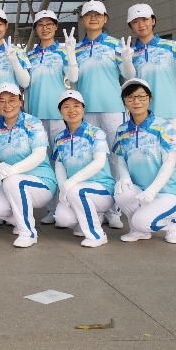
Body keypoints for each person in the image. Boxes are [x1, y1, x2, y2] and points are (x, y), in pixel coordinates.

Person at [111, 78, 176, 244]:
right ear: (124, 101)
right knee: (121, 191)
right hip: (140, 190)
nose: (136, 101)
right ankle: (138, 231)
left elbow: (169, 163)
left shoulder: (163, 127)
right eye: (130, 97)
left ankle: (172, 223)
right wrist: (125, 178)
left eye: (141, 96)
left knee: (142, 221)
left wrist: (152, 191)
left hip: (167, 192)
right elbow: (120, 158)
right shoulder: (122, 130)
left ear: (149, 99)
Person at [121, 4, 176, 169]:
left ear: (153, 20)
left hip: (171, 113)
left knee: (173, 162)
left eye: (145, 19)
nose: (141, 25)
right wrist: (126, 61)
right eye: (135, 22)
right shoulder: (131, 52)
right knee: (149, 162)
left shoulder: (170, 46)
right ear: (131, 26)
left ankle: (175, 187)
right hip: (143, 114)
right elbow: (130, 78)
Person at [74, 0, 126, 229]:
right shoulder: (76, 49)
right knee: (91, 159)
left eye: (98, 15)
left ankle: (115, 210)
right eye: (88, 15)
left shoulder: (117, 45)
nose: (93, 18)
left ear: (105, 19)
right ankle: (96, 207)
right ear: (82, 20)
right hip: (85, 112)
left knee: (115, 159)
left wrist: (126, 58)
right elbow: (73, 80)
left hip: (113, 109)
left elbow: (127, 73)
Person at [0, 83, 56, 247]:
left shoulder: (33, 123)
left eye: (12, 100)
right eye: (1, 101)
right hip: (12, 182)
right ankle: (22, 219)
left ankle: (28, 232)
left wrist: (13, 170)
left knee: (13, 181)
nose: (7, 105)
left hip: (41, 182)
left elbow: (39, 155)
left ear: (20, 101)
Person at [27, 9, 78, 226]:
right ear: (36, 29)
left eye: (49, 24)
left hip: (59, 117)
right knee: (43, 162)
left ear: (56, 27)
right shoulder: (30, 56)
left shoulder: (64, 51)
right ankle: (51, 208)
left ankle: (65, 205)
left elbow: (73, 77)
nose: (45, 28)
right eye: (41, 25)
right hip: (36, 116)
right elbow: (26, 87)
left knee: (62, 161)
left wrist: (71, 54)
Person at [52, 90, 115, 248]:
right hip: (75, 190)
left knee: (77, 191)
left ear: (83, 109)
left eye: (76, 105)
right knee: (62, 217)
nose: (71, 110)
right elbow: (59, 166)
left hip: (102, 189)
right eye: (66, 106)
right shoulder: (59, 138)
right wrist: (63, 189)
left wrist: (72, 182)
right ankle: (89, 219)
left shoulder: (96, 133)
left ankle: (97, 235)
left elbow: (99, 163)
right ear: (60, 111)